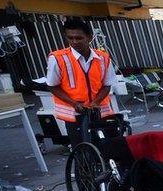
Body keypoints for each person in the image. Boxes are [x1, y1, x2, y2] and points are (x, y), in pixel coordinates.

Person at [46, 18, 115, 146]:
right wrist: (74, 103)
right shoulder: (58, 58)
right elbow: (52, 86)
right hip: (74, 113)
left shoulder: (103, 58)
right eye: (70, 38)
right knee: (81, 149)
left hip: (99, 110)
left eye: (79, 38)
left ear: (90, 37)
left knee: (106, 147)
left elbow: (107, 84)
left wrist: (96, 102)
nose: (74, 42)